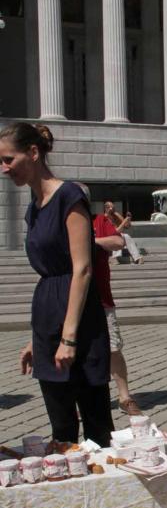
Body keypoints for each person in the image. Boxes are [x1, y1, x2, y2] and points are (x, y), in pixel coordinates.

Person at [0, 122, 113, 446]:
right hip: (49, 313)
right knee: (61, 426)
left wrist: (69, 338)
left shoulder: (69, 196)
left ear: (33, 153)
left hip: (78, 321)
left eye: (8, 159)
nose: (4, 169)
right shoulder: (33, 209)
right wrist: (39, 339)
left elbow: (82, 270)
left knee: (96, 427)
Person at [89, 191, 143, 417]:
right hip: (70, 298)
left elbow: (117, 240)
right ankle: (82, 401)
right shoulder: (63, 222)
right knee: (79, 352)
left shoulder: (99, 221)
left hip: (102, 298)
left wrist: (89, 242)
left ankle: (124, 397)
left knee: (113, 347)